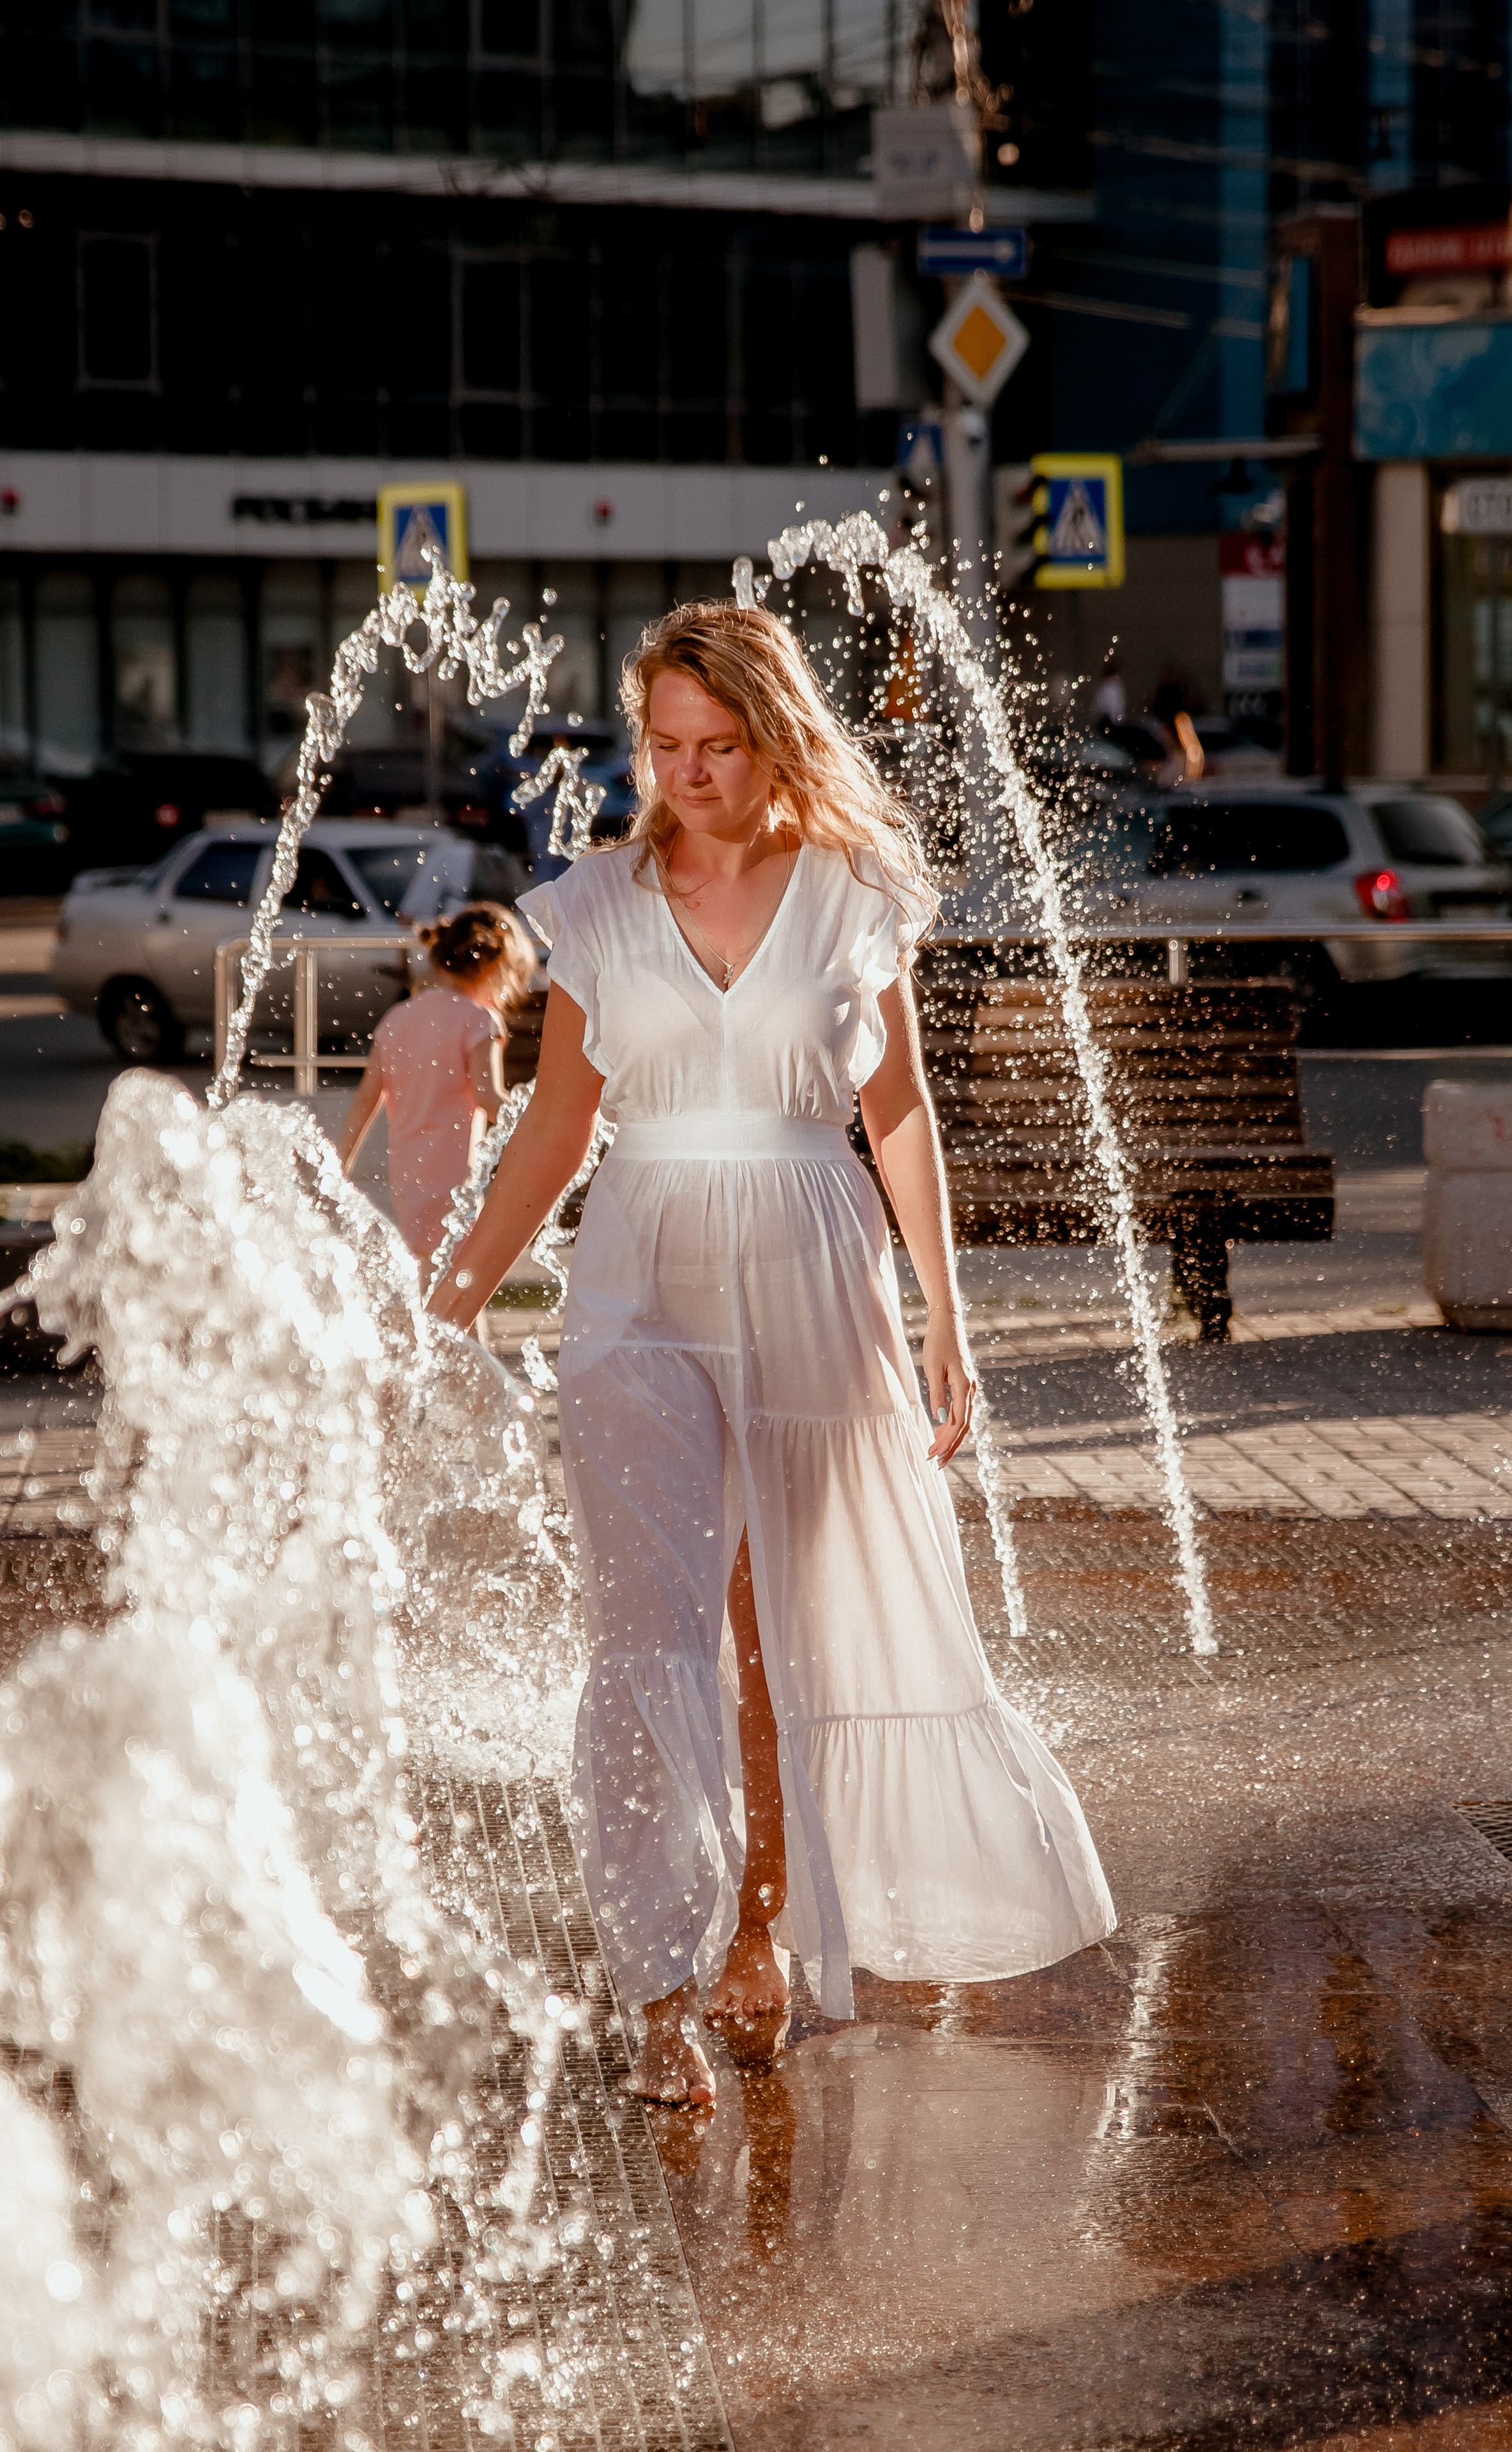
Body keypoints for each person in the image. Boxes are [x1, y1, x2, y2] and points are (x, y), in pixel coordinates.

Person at [427, 603, 1115, 2107]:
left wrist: (947, 1320)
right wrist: (453, 1293)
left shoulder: (856, 891)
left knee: (778, 1633)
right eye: (662, 745)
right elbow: (554, 1130)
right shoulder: (597, 902)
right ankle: (658, 1991)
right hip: (640, 1283)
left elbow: (901, 1114)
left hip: (816, 1268)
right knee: (648, 1627)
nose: (683, 771)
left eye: (715, 746)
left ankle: (762, 1937)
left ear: (771, 733)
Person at [338, 901, 535, 1278]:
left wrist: (341, 1164)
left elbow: (367, 1098)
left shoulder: (397, 1018)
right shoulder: (479, 1020)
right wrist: (540, 1117)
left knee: (434, 1279)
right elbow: (489, 1099)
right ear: (495, 969)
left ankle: (432, 1339)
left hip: (408, 1178)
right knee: (456, 1285)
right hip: (453, 1181)